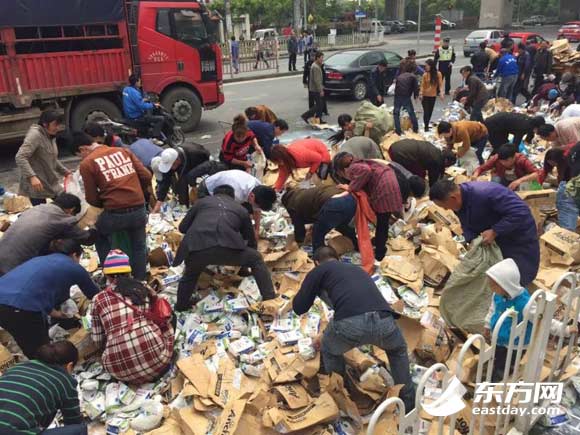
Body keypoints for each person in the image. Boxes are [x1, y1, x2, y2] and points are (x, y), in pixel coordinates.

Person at [292, 246, 415, 411]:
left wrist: (313, 285)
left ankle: (342, 398)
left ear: (316, 262)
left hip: (350, 324)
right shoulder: (356, 269)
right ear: (338, 258)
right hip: (384, 319)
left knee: (329, 349)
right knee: (398, 351)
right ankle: (408, 405)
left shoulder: (319, 270)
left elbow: (299, 307)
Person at [174, 185, 275, 311]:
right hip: (227, 248)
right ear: (232, 197)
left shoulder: (201, 203)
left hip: (197, 248)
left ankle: (181, 305)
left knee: (190, 274)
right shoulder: (241, 209)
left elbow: (182, 228)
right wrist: (244, 266)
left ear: (214, 194)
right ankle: (269, 300)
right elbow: (250, 240)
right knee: (256, 258)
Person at [429, 180, 540, 286]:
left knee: (519, 274)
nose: (446, 209)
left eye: (445, 206)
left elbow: (520, 211)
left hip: (517, 236)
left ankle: (520, 299)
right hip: (496, 238)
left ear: (453, 198)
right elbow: (467, 223)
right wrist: (471, 239)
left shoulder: (486, 193)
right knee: (499, 275)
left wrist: (495, 231)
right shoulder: (458, 202)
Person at [0, 240, 99, 358]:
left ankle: (38, 366)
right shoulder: (73, 267)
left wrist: (56, 313)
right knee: (42, 351)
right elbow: (96, 296)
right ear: (74, 255)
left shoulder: (40, 260)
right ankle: (47, 371)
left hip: (5, 301)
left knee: (29, 344)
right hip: (20, 306)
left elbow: (36, 290)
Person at [74, 132, 152, 281]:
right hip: (139, 208)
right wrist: (136, 192)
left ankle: (111, 277)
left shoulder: (87, 163)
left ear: (83, 149)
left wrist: (105, 203)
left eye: (79, 155)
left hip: (116, 213)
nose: (81, 159)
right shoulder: (123, 151)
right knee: (139, 246)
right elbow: (147, 176)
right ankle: (140, 280)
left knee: (98, 235)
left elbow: (91, 198)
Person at [484, 258, 574, 381]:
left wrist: (566, 330)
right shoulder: (498, 295)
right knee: (496, 359)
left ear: (506, 284)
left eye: (494, 284)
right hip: (499, 340)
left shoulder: (525, 304)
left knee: (506, 368)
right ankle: (494, 374)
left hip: (516, 346)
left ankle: (497, 384)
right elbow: (492, 310)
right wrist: (488, 325)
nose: (490, 287)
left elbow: (546, 322)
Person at [91, 250, 174, 383]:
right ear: (129, 272)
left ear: (107, 276)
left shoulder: (98, 299)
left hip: (120, 373)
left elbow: (97, 340)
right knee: (169, 319)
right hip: (158, 362)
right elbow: (163, 314)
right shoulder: (142, 287)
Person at [333, 154, 409, 261]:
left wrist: (350, 187)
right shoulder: (360, 162)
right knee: (383, 220)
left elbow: (366, 171)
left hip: (385, 187)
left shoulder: (353, 167)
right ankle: (379, 243)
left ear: (342, 170)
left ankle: (380, 252)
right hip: (390, 181)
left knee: (382, 221)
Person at [0, 341, 86, 434]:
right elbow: (73, 420)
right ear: (69, 366)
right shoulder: (64, 380)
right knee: (80, 429)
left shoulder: (18, 367)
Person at [0, 193, 91, 275]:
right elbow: (87, 239)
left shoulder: (37, 208)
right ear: (71, 210)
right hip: (13, 268)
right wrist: (94, 226)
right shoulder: (62, 219)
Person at [15, 110, 71, 206]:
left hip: (50, 181)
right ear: (45, 124)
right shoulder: (35, 135)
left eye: (59, 125)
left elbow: (52, 158)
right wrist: (32, 177)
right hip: (37, 186)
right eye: (55, 125)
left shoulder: (50, 135)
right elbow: (20, 157)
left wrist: (66, 172)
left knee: (67, 205)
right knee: (43, 214)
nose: (57, 128)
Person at [201, 169, 277, 236]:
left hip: (228, 186)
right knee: (215, 222)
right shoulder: (236, 193)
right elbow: (227, 214)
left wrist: (256, 231)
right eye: (257, 206)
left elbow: (257, 210)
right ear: (252, 197)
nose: (257, 208)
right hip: (207, 189)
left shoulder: (259, 188)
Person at [282, 185, 357, 251]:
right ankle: (357, 245)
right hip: (349, 198)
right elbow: (315, 208)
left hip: (334, 203)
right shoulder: (303, 193)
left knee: (318, 234)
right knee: (344, 226)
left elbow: (299, 226)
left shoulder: (291, 204)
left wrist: (299, 241)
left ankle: (320, 259)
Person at [151, 143, 211, 210]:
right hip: (186, 167)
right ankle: (184, 206)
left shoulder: (196, 152)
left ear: (177, 160)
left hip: (199, 166)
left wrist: (194, 185)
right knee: (181, 185)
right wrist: (160, 200)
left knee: (192, 181)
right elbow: (165, 181)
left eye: (172, 166)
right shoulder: (169, 160)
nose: (170, 169)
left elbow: (207, 165)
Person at [540, 143, 578, 230]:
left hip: (570, 187)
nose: (551, 164)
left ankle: (566, 234)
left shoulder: (567, 162)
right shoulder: (565, 157)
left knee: (566, 208)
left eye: (552, 162)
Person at [388, 139, 457, 187]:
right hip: (398, 154)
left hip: (396, 146)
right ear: (446, 160)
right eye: (449, 165)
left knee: (421, 171)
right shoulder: (436, 161)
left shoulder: (436, 151)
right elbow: (433, 180)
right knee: (418, 176)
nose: (448, 167)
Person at [473, 143, 540, 190]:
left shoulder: (521, 160)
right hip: (504, 178)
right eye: (501, 161)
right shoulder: (496, 158)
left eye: (506, 161)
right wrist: (475, 176)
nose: (503, 163)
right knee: (494, 185)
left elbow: (536, 174)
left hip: (519, 180)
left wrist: (519, 181)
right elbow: (481, 168)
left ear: (514, 157)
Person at [393, 59, 419, 135]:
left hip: (397, 96)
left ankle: (398, 131)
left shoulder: (400, 76)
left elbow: (396, 87)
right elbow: (416, 88)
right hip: (406, 96)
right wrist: (415, 96)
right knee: (411, 112)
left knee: (396, 113)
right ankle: (415, 128)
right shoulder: (413, 77)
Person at [420, 59, 444, 131]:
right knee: (426, 112)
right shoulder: (425, 75)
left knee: (430, 111)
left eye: (427, 66)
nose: (425, 67)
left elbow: (440, 85)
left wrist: (441, 93)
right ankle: (426, 127)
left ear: (431, 66)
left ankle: (427, 124)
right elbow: (422, 85)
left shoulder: (438, 74)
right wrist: (421, 93)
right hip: (425, 96)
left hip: (433, 96)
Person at [301, 51, 326, 124]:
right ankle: (305, 116)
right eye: (321, 58)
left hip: (314, 89)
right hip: (315, 89)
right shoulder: (315, 67)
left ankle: (318, 119)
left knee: (320, 105)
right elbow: (317, 80)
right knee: (319, 105)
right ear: (317, 58)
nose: (322, 59)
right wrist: (321, 90)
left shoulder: (316, 65)